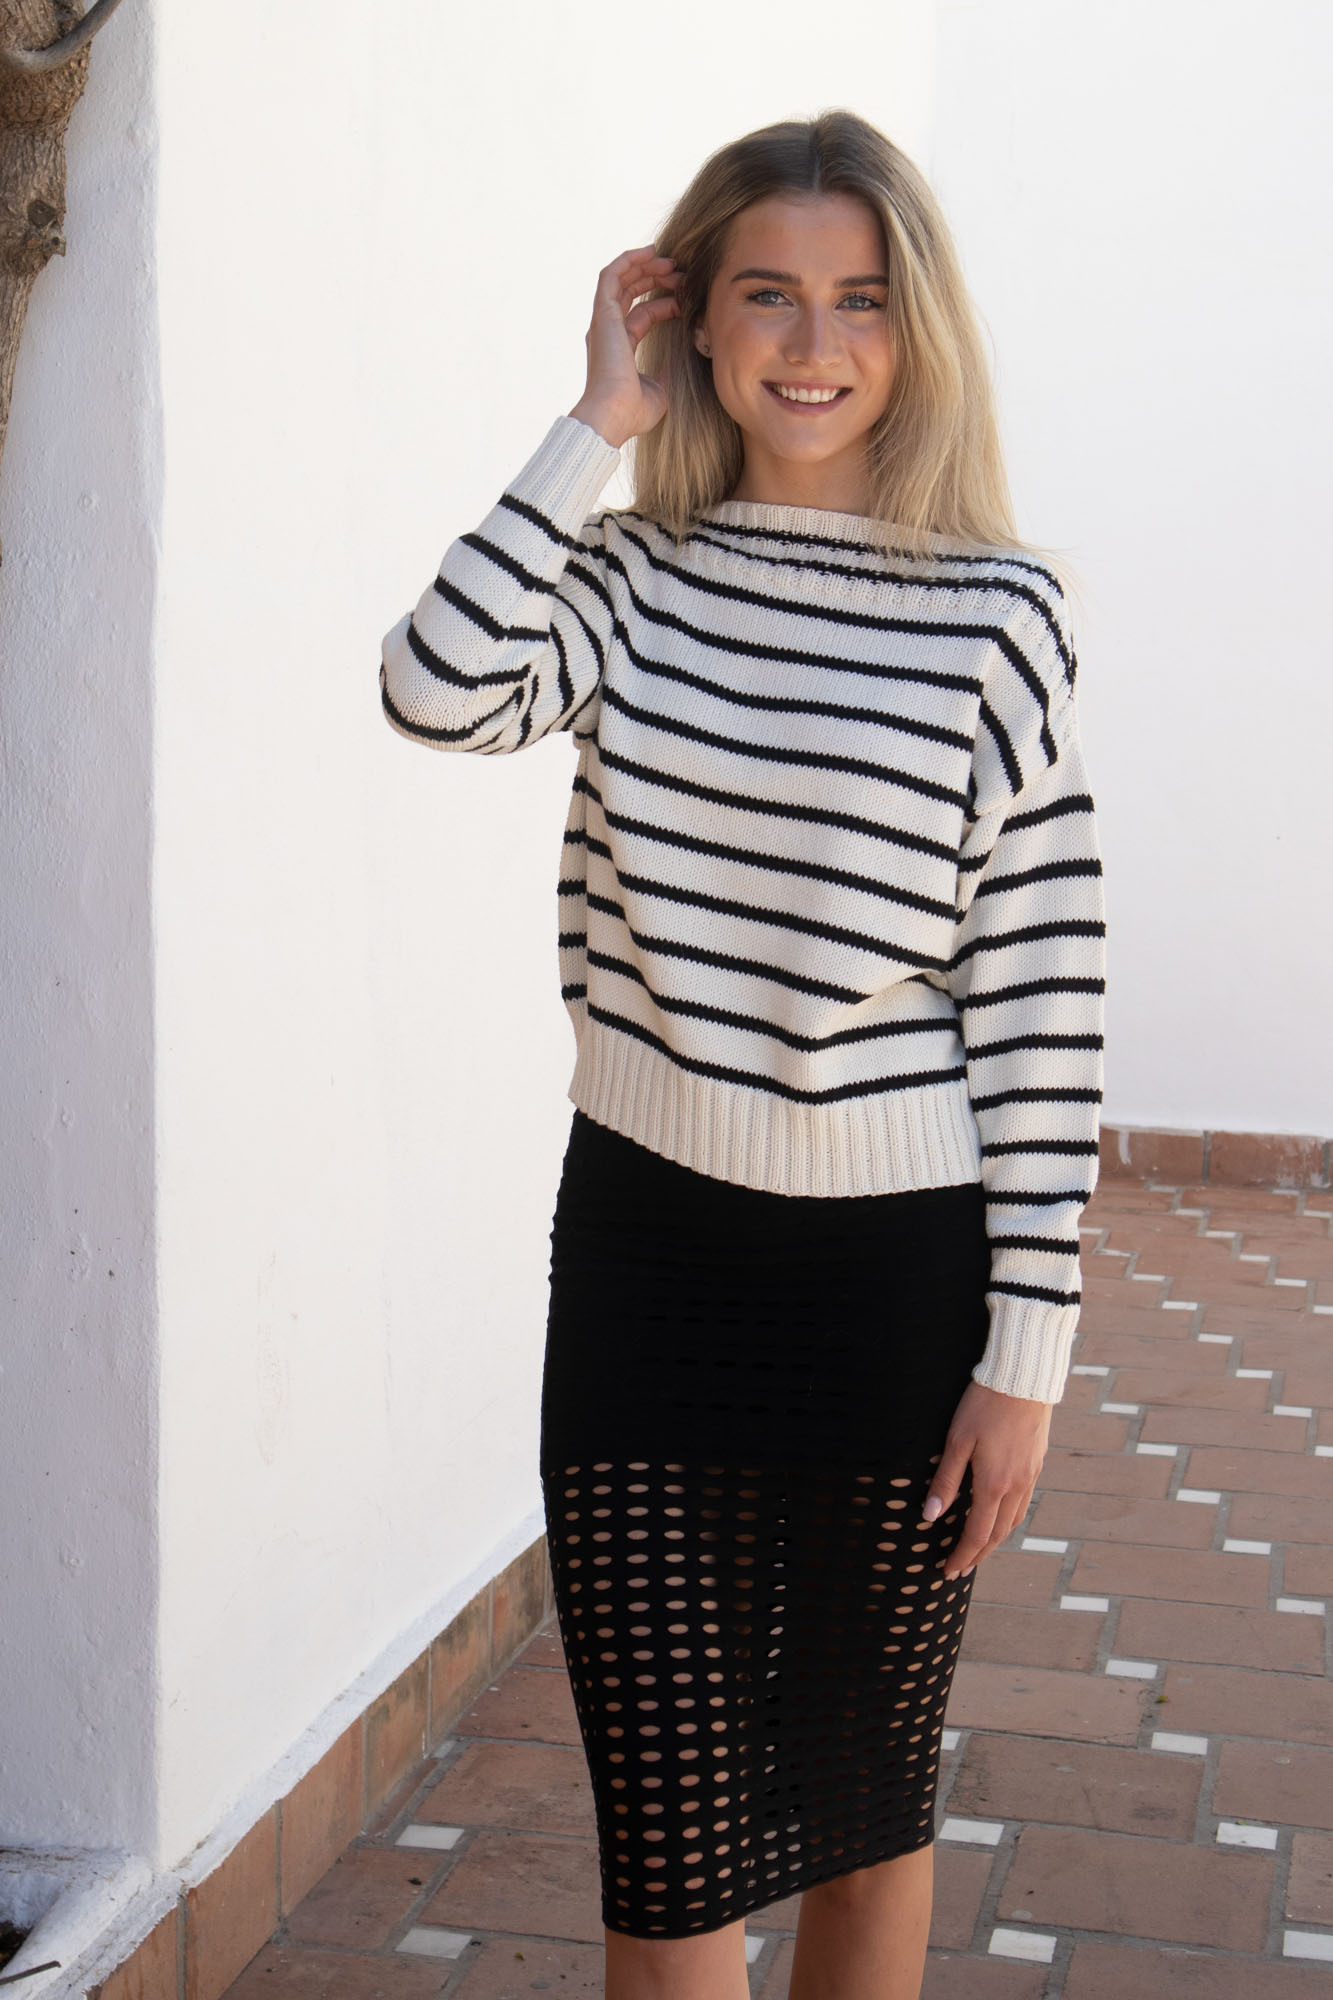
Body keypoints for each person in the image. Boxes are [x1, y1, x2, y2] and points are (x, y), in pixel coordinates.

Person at [380, 108, 1105, 2000]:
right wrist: (589, 426)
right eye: (766, 293)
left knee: (863, 1812)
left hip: (893, 1284)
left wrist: (1023, 1359)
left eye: (860, 300)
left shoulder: (1000, 618)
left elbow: (1039, 998)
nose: (812, 342)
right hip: (649, 1265)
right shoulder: (629, 579)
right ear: (691, 318)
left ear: (914, 331)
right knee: (671, 1844)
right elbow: (431, 685)